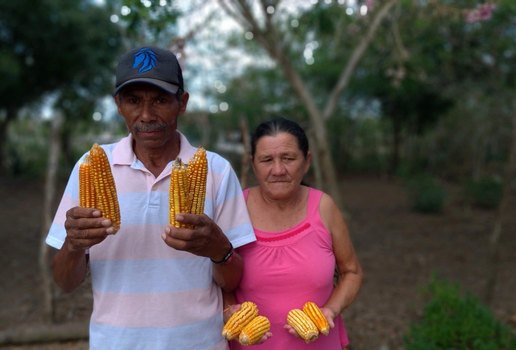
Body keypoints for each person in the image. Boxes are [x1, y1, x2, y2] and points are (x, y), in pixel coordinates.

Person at [45, 46, 256, 350]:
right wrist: (74, 246)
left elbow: (234, 281)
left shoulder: (216, 171)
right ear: (118, 104)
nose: (146, 115)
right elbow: (64, 282)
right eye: (134, 101)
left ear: (182, 103)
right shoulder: (88, 167)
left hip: (198, 343)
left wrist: (219, 250)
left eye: (160, 100)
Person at [224, 117, 363, 349]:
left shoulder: (324, 207)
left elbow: (352, 271)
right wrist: (229, 311)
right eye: (266, 160)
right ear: (253, 164)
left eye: (288, 158)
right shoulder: (236, 209)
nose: (278, 170)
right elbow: (219, 277)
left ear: (306, 161)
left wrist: (330, 310)